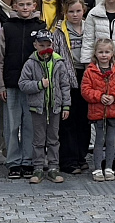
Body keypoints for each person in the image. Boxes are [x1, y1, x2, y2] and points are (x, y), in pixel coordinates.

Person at [1, 0, 46, 179]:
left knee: (29, 124)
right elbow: (0, 57)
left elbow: (46, 54)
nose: (25, 8)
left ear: (34, 6)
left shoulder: (40, 26)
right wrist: (1, 85)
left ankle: (28, 160)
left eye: (28, 4)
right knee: (11, 125)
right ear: (15, 6)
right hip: (11, 83)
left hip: (32, 86)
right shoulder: (8, 26)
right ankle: (13, 162)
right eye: (21, 5)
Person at [19, 28, 74, 184]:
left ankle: (53, 167)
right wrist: (38, 85)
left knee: (54, 139)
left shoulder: (59, 62)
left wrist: (66, 106)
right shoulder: (30, 63)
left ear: (53, 45)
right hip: (38, 108)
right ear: (35, 45)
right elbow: (22, 84)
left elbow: (65, 85)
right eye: (41, 45)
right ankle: (37, 167)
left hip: (55, 107)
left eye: (47, 45)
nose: (45, 48)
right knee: (38, 139)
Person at [82, 37, 115, 181]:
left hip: (114, 111)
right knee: (99, 140)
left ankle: (109, 166)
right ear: (95, 53)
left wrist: (114, 97)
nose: (104, 55)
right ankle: (97, 168)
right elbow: (85, 90)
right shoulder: (90, 71)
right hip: (97, 111)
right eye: (101, 52)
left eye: (107, 52)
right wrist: (99, 96)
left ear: (112, 53)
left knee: (111, 140)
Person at [56, 0, 92, 174]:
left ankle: (81, 156)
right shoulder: (59, 30)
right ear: (65, 12)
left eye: (78, 11)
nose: (75, 14)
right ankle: (68, 159)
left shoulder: (89, 27)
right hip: (67, 77)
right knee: (68, 119)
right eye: (71, 11)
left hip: (86, 75)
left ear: (83, 10)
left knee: (84, 119)